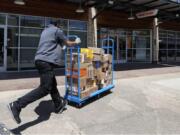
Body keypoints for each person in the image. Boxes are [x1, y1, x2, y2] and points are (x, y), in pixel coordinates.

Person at [8, 21, 81, 124]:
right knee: (45, 88)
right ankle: (17, 105)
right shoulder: (57, 30)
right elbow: (68, 43)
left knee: (52, 84)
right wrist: (76, 42)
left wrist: (60, 46)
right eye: (61, 25)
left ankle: (58, 105)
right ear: (57, 25)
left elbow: (51, 45)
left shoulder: (45, 31)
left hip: (40, 60)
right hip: (46, 62)